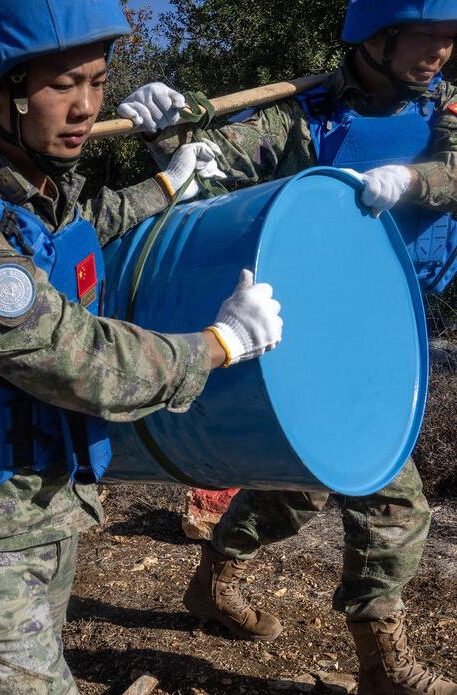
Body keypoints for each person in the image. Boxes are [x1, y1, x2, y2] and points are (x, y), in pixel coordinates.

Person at [0, 0, 283, 690]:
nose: (85, 107)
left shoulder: (24, 195)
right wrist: (218, 344)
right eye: (61, 85)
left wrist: (165, 184)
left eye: (98, 82)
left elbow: (75, 231)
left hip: (47, 499)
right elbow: (71, 355)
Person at [117, 1, 457, 691]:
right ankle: (380, 661)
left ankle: (214, 577)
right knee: (392, 496)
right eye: (431, 38)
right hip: (315, 319)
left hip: (396, 318)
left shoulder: (447, 108)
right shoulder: (304, 115)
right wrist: (172, 131)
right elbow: (219, 163)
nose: (443, 54)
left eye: (452, 41)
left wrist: (414, 181)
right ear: (379, 37)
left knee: (299, 487)